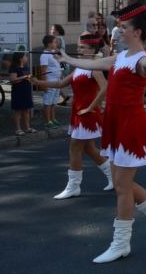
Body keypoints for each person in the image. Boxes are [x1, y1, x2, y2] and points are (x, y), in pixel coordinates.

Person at [56, 3, 146, 264]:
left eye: (124, 27)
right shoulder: (120, 56)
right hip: (114, 122)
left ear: (137, 32)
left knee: (122, 187)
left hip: (130, 124)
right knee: (120, 181)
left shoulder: (141, 58)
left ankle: (121, 243)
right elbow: (93, 62)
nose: (119, 30)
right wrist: (67, 59)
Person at [30, 35, 114, 199]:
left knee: (74, 148)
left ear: (91, 51)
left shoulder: (94, 67)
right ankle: (113, 176)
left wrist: (91, 107)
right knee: (89, 148)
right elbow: (61, 84)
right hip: (78, 111)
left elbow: (105, 88)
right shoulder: (79, 67)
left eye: (82, 47)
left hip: (87, 112)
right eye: (79, 47)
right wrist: (38, 82)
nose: (78, 49)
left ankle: (73, 187)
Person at [8, 52, 35, 136]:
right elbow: (13, 80)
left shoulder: (26, 67)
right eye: (25, 56)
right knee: (18, 111)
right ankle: (18, 129)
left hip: (26, 90)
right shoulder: (13, 68)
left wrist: (31, 92)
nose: (26, 58)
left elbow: (28, 80)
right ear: (20, 59)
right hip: (18, 92)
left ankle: (27, 128)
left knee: (27, 110)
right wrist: (23, 77)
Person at [40, 35, 62, 128]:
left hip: (56, 81)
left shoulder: (53, 52)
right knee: (48, 102)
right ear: (49, 44)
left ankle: (53, 119)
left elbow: (60, 60)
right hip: (50, 81)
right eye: (54, 42)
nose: (56, 43)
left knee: (54, 102)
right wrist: (44, 84)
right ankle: (47, 121)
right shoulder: (45, 55)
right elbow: (43, 70)